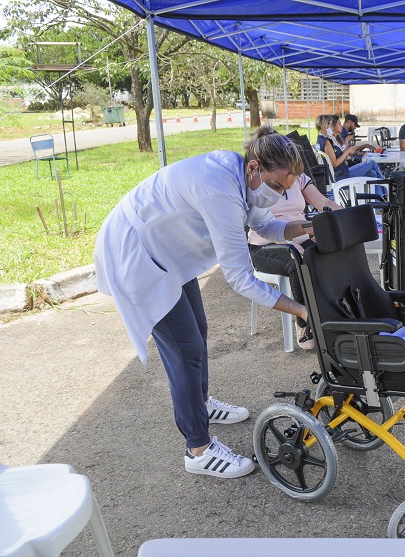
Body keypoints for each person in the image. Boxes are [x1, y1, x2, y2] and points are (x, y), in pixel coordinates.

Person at [94, 126, 310, 479]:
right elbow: (240, 278)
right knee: (185, 349)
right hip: (137, 253)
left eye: (286, 189)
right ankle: (198, 449)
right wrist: (300, 310)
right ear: (255, 167)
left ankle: (202, 405)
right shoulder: (220, 188)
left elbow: (269, 226)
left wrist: (311, 227)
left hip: (166, 251)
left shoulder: (242, 177)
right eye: (277, 186)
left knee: (199, 330)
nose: (280, 194)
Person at [248, 130, 342, 350]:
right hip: (263, 246)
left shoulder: (297, 177)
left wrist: (345, 215)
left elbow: (321, 202)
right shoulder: (260, 180)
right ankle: (304, 324)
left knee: (325, 253)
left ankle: (331, 314)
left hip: (298, 235)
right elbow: (263, 228)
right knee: (297, 260)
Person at [315, 114, 383, 181]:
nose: (332, 128)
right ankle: (385, 187)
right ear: (325, 125)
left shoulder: (321, 139)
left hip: (342, 172)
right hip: (340, 176)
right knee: (372, 163)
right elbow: (335, 164)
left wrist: (347, 150)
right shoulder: (327, 142)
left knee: (372, 173)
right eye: (330, 125)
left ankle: (382, 191)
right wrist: (347, 151)